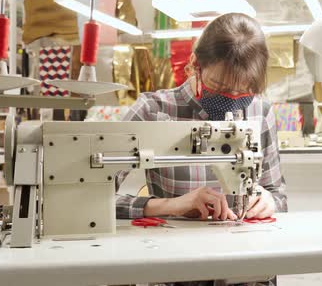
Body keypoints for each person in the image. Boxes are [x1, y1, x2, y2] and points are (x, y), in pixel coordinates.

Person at [115, 12, 287, 224]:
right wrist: (170, 205)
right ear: (194, 66)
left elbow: (278, 196)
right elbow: (90, 198)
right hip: (174, 247)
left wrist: (270, 201)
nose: (232, 101)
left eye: (245, 91)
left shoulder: (260, 112)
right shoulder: (152, 111)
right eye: (221, 87)